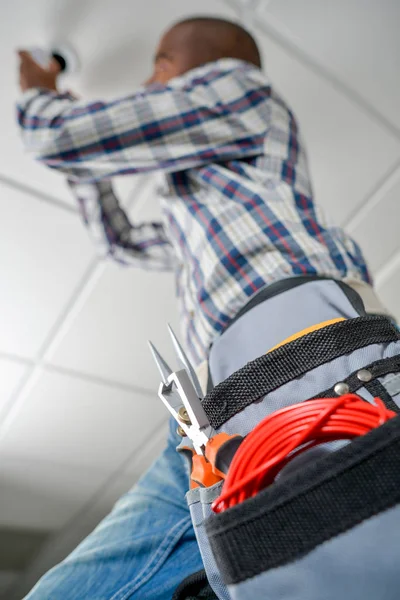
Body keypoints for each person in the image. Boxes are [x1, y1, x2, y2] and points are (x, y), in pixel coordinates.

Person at [16, 16, 389, 600]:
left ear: (192, 62)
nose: (149, 81)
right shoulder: (204, 195)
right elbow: (120, 241)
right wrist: (88, 167)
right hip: (211, 413)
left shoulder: (238, 90)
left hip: (289, 354)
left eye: (157, 67)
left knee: (334, 549)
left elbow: (55, 136)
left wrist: (39, 93)